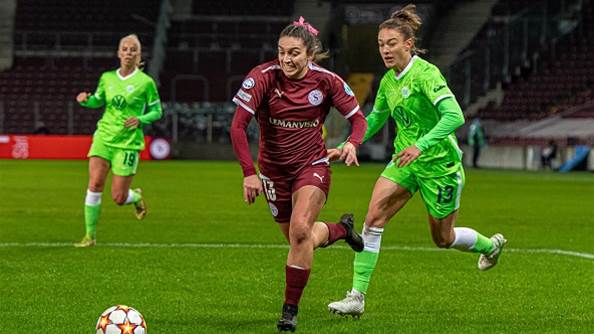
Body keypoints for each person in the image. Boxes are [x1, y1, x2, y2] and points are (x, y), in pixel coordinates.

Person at [327, 4, 507, 317]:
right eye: (381, 44)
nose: (385, 49)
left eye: (391, 43)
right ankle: (357, 296)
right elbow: (375, 118)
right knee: (373, 218)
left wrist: (421, 146)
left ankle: (489, 246)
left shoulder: (426, 74)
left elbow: (454, 115)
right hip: (404, 161)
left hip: (440, 165)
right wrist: (348, 143)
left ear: (408, 44)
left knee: (443, 238)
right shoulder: (388, 81)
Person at [229, 16, 368, 332]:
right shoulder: (262, 77)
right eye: (281, 52)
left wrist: (352, 143)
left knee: (301, 231)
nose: (286, 59)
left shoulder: (327, 81)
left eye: (293, 53)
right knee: (298, 238)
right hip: (273, 171)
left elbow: (358, 119)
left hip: (312, 166)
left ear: (309, 54)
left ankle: (289, 311)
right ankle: (342, 230)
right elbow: (237, 126)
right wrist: (249, 172)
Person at [74, 34, 162, 247]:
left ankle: (136, 197)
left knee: (118, 197)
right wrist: (86, 101)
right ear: (119, 53)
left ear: (138, 55)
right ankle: (90, 236)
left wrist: (140, 119)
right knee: (94, 183)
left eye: (133, 49)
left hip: (128, 143)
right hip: (104, 137)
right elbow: (98, 101)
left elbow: (157, 111)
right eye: (125, 49)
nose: (128, 52)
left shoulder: (146, 83)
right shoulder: (107, 78)